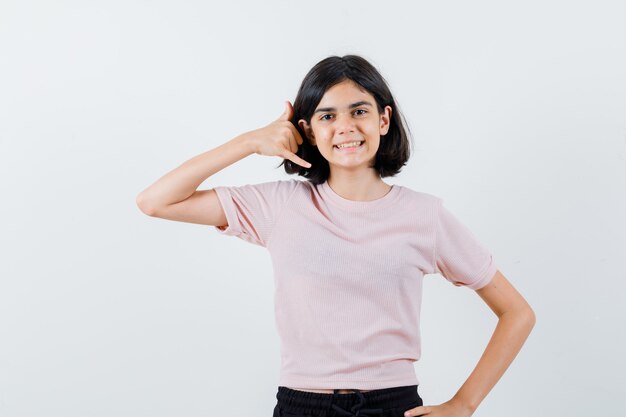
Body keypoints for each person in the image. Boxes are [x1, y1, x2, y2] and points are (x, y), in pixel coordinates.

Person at [136, 55, 536, 417]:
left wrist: (463, 404)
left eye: (358, 111)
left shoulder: (424, 216)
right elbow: (156, 202)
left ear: (383, 120)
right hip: (301, 405)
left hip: (392, 404)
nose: (345, 127)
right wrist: (249, 142)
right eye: (327, 116)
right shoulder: (279, 206)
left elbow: (517, 313)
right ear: (307, 132)